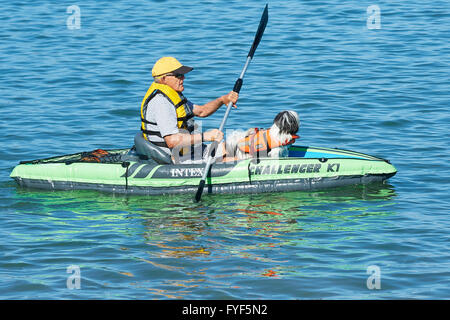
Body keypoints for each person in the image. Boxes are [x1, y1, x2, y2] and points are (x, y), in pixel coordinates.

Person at [140, 57, 238, 163]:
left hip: (194, 152)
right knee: (238, 159)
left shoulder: (174, 96)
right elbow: (172, 141)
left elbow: (202, 111)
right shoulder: (161, 102)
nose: (183, 78)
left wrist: (222, 100)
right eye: (178, 75)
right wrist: (206, 136)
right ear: (164, 79)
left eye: (182, 74)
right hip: (179, 159)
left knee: (246, 141)